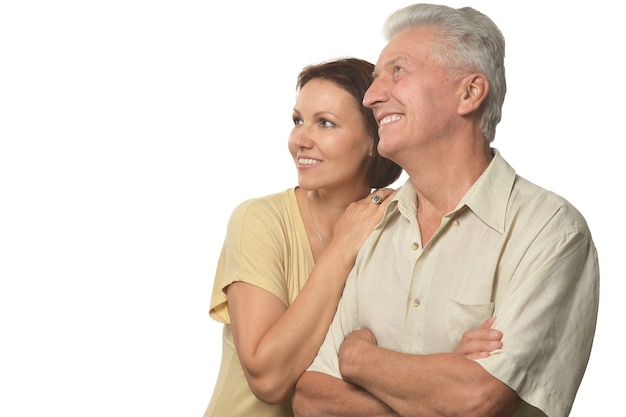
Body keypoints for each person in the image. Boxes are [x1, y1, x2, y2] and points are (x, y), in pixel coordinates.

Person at [293, 5, 599, 417]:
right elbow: (311, 398)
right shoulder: (371, 223)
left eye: (397, 71)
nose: (370, 96)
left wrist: (358, 360)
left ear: (470, 93)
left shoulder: (551, 231)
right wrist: (440, 377)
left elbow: (475, 399)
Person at [203, 57, 503, 417]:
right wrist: (344, 245)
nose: (300, 139)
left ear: (375, 140)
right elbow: (267, 380)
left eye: (325, 124)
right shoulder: (259, 221)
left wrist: (445, 368)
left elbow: (413, 351)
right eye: (298, 121)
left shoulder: (404, 224)